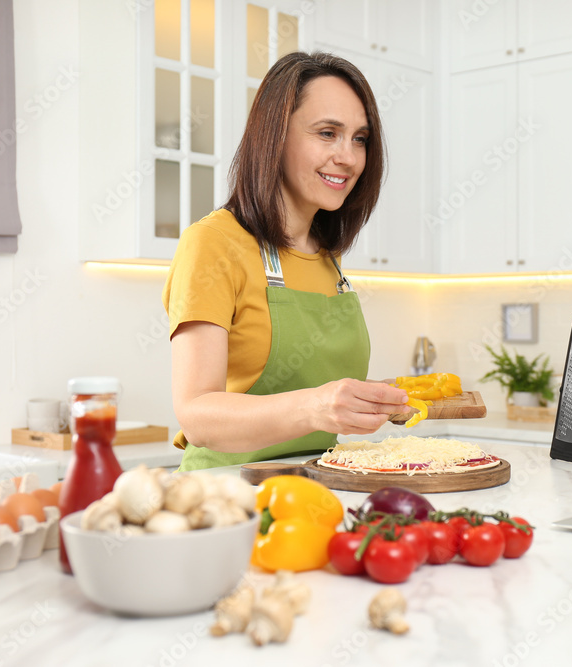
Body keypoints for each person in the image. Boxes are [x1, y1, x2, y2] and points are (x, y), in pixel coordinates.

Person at [162, 52, 410, 471]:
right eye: (327, 133)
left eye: (359, 138)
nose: (348, 157)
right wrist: (316, 407)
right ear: (273, 136)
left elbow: (315, 393)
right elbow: (196, 414)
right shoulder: (213, 243)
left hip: (317, 491)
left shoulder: (328, 256)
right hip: (228, 498)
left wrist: (368, 399)